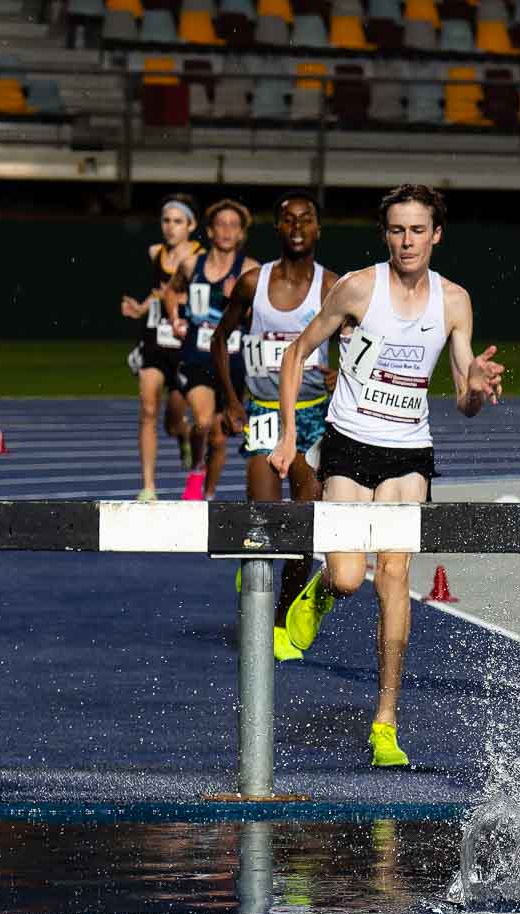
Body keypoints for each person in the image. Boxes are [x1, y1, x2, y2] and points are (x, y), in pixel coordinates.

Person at [266, 184, 505, 769]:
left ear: (436, 234)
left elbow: (464, 399)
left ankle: (385, 721)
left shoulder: (453, 302)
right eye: (397, 230)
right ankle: (321, 592)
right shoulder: (357, 288)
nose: (407, 241)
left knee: (393, 576)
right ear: (386, 235)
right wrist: (291, 434)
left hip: (408, 454)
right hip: (349, 446)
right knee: (349, 576)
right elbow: (297, 353)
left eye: (417, 230)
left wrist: (473, 385)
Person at [213, 191, 339, 661]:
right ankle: (259, 594)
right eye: (288, 219)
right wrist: (230, 399)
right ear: (278, 228)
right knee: (264, 518)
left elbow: (359, 345)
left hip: (312, 416)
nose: (298, 225)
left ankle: (283, 620)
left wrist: (338, 371)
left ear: (318, 228)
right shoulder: (252, 283)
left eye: (306, 218)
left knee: (302, 521)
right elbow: (221, 338)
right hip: (265, 412)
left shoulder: (332, 286)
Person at [163, 198, 258, 501]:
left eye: (234, 225)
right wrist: (176, 318)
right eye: (221, 224)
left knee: (219, 436)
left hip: (232, 363)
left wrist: (240, 303)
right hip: (196, 356)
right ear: (210, 231)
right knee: (203, 421)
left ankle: (209, 494)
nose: (227, 231)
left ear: (241, 233)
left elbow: (261, 318)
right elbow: (172, 292)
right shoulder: (193, 265)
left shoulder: (251, 270)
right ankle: (195, 470)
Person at [121, 193, 201, 502]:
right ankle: (148, 487)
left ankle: (182, 436)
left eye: (177, 221)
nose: (170, 227)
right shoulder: (155, 253)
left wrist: (178, 303)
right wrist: (140, 309)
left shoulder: (200, 258)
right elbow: (157, 294)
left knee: (174, 418)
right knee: (148, 409)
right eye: (166, 221)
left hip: (183, 344)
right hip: (154, 341)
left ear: (191, 226)